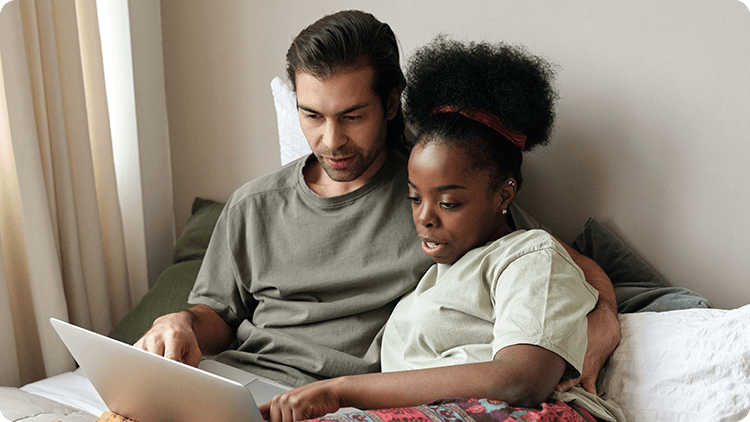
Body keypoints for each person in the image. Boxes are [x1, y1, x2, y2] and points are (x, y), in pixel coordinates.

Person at [135, 9, 618, 395]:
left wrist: (602, 324)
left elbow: (558, 264)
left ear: (390, 104)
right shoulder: (253, 206)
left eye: (351, 115)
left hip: (339, 400)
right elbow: (216, 315)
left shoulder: (441, 193)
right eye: (312, 115)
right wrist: (178, 322)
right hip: (235, 383)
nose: (331, 140)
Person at [258, 36, 625, 422]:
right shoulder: (429, 286)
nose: (425, 218)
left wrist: (341, 391)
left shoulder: (528, 255)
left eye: (449, 203)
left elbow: (522, 380)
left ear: (504, 194)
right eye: (415, 198)